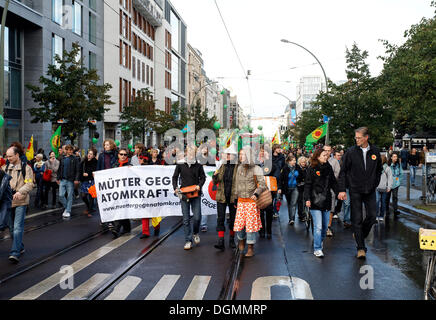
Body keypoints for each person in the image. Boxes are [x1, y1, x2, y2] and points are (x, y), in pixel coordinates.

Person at [338, 127, 382, 259]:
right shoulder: (350, 152)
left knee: (372, 216)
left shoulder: (375, 151)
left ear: (366, 137)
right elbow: (343, 172)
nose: (356, 140)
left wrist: (375, 183)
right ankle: (361, 248)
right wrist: (342, 189)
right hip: (355, 189)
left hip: (370, 189)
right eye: (355, 138)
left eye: (358, 137)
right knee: (356, 219)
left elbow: (379, 169)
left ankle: (360, 233)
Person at [233, 146, 267, 257]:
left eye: (243, 154)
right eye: (240, 155)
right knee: (239, 224)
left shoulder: (256, 168)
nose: (241, 157)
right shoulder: (239, 168)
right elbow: (236, 184)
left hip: (251, 202)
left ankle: (251, 247)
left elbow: (262, 184)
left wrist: (256, 194)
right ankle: (241, 240)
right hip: (241, 201)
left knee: (250, 226)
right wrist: (235, 197)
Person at [2, 146, 34, 263]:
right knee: (11, 229)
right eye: (7, 156)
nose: (8, 158)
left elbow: (30, 183)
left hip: (21, 201)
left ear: (17, 155)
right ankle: (20, 247)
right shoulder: (4, 168)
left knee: (17, 228)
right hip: (8, 202)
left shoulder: (27, 168)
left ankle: (14, 252)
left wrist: (21, 191)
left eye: (10, 156)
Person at [304, 148, 338, 258]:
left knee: (324, 227)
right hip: (315, 201)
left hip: (327, 200)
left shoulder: (328, 168)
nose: (326, 156)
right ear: (318, 156)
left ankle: (320, 241)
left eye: (327, 155)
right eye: (324, 155)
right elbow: (308, 185)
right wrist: (307, 198)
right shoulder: (311, 168)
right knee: (318, 226)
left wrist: (339, 193)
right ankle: (317, 248)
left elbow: (333, 182)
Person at [172, 145, 206, 250]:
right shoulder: (180, 164)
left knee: (197, 217)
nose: (191, 154)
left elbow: (203, 177)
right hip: (184, 194)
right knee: (186, 219)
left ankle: (195, 232)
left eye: (193, 152)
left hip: (195, 194)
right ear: (186, 152)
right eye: (189, 152)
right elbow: (174, 177)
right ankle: (188, 240)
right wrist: (175, 187)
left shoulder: (199, 165)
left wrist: (199, 185)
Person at [212, 144, 238, 250]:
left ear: (234, 156)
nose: (227, 155)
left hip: (233, 197)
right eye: (227, 153)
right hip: (222, 196)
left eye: (230, 154)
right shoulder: (221, 165)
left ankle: (232, 240)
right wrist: (215, 175)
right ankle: (221, 241)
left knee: (233, 219)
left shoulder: (238, 166)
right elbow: (215, 181)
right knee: (221, 218)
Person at [140, 149, 163, 239]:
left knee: (155, 209)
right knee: (145, 210)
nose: (154, 154)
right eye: (153, 152)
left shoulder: (161, 162)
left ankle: (156, 226)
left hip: (156, 189)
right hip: (146, 189)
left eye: (156, 152)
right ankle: (145, 232)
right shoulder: (147, 163)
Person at [110, 148, 132, 238]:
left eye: (125, 154)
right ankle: (127, 227)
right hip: (116, 190)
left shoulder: (130, 165)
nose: (123, 156)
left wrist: (132, 170)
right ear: (118, 155)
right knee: (120, 208)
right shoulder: (114, 164)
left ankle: (116, 228)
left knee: (121, 208)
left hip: (126, 191)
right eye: (121, 154)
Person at [57, 145, 80, 218]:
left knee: (70, 196)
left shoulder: (75, 159)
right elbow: (60, 169)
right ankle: (67, 207)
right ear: (66, 150)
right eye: (68, 150)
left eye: (71, 150)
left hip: (70, 180)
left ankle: (68, 211)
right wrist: (58, 178)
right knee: (61, 195)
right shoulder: (62, 158)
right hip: (63, 179)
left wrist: (76, 179)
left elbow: (77, 170)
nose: (70, 151)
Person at [258, 145, 275, 238]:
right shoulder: (256, 162)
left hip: (269, 191)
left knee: (269, 211)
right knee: (260, 211)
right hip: (258, 190)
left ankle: (269, 230)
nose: (262, 153)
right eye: (261, 151)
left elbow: (275, 173)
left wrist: (268, 161)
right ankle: (261, 230)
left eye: (264, 151)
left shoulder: (271, 163)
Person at [278, 154, 299, 225]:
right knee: (289, 204)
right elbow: (281, 179)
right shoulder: (285, 168)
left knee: (293, 204)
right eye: (293, 160)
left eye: (295, 160)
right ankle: (290, 217)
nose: (295, 162)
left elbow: (302, 175)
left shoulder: (297, 167)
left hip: (295, 188)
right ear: (289, 161)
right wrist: (280, 188)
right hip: (287, 188)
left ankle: (292, 219)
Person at [79, 148, 98, 217]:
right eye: (88, 153)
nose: (89, 155)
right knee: (83, 195)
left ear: (94, 155)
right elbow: (80, 170)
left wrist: (89, 174)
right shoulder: (84, 161)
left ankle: (90, 211)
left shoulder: (95, 162)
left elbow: (95, 171)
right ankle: (88, 206)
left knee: (91, 196)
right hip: (85, 180)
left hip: (92, 180)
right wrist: (81, 176)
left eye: (91, 154)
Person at [376, 155, 393, 222]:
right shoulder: (376, 167)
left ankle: (381, 215)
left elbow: (390, 178)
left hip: (385, 188)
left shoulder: (388, 168)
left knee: (383, 202)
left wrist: (389, 187)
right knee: (377, 201)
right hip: (377, 187)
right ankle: (376, 215)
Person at [387, 153, 402, 218]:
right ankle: (386, 209)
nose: (396, 158)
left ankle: (395, 210)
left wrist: (399, 181)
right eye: (394, 156)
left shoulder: (398, 165)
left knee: (395, 197)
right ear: (391, 157)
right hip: (388, 184)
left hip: (396, 183)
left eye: (396, 157)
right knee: (387, 197)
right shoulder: (388, 165)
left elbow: (401, 173)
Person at [271, 144, 285, 218]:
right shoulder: (269, 156)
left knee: (277, 197)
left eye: (280, 148)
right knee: (271, 197)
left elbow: (283, 167)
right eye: (278, 148)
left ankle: (275, 211)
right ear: (274, 149)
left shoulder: (282, 157)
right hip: (271, 178)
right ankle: (270, 210)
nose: (280, 149)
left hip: (279, 178)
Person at [296, 156, 308, 223]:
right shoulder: (297, 169)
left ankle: (304, 213)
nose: (303, 163)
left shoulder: (307, 168)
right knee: (300, 201)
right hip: (299, 186)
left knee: (304, 200)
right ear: (299, 162)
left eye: (304, 162)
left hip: (306, 186)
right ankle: (301, 215)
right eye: (302, 162)